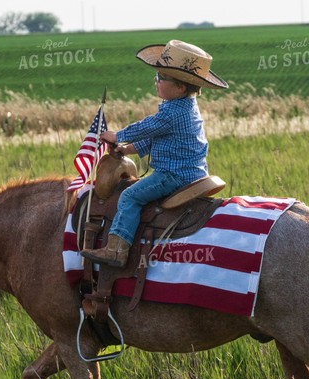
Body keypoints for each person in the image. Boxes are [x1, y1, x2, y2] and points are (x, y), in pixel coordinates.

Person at [81, 39, 228, 268]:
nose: (156, 80)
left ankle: (116, 250)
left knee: (129, 196)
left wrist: (117, 136)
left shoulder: (172, 113)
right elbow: (155, 138)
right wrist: (127, 149)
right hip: (190, 171)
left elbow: (147, 127)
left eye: (161, 77)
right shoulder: (184, 106)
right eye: (157, 74)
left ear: (180, 86)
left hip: (174, 175)